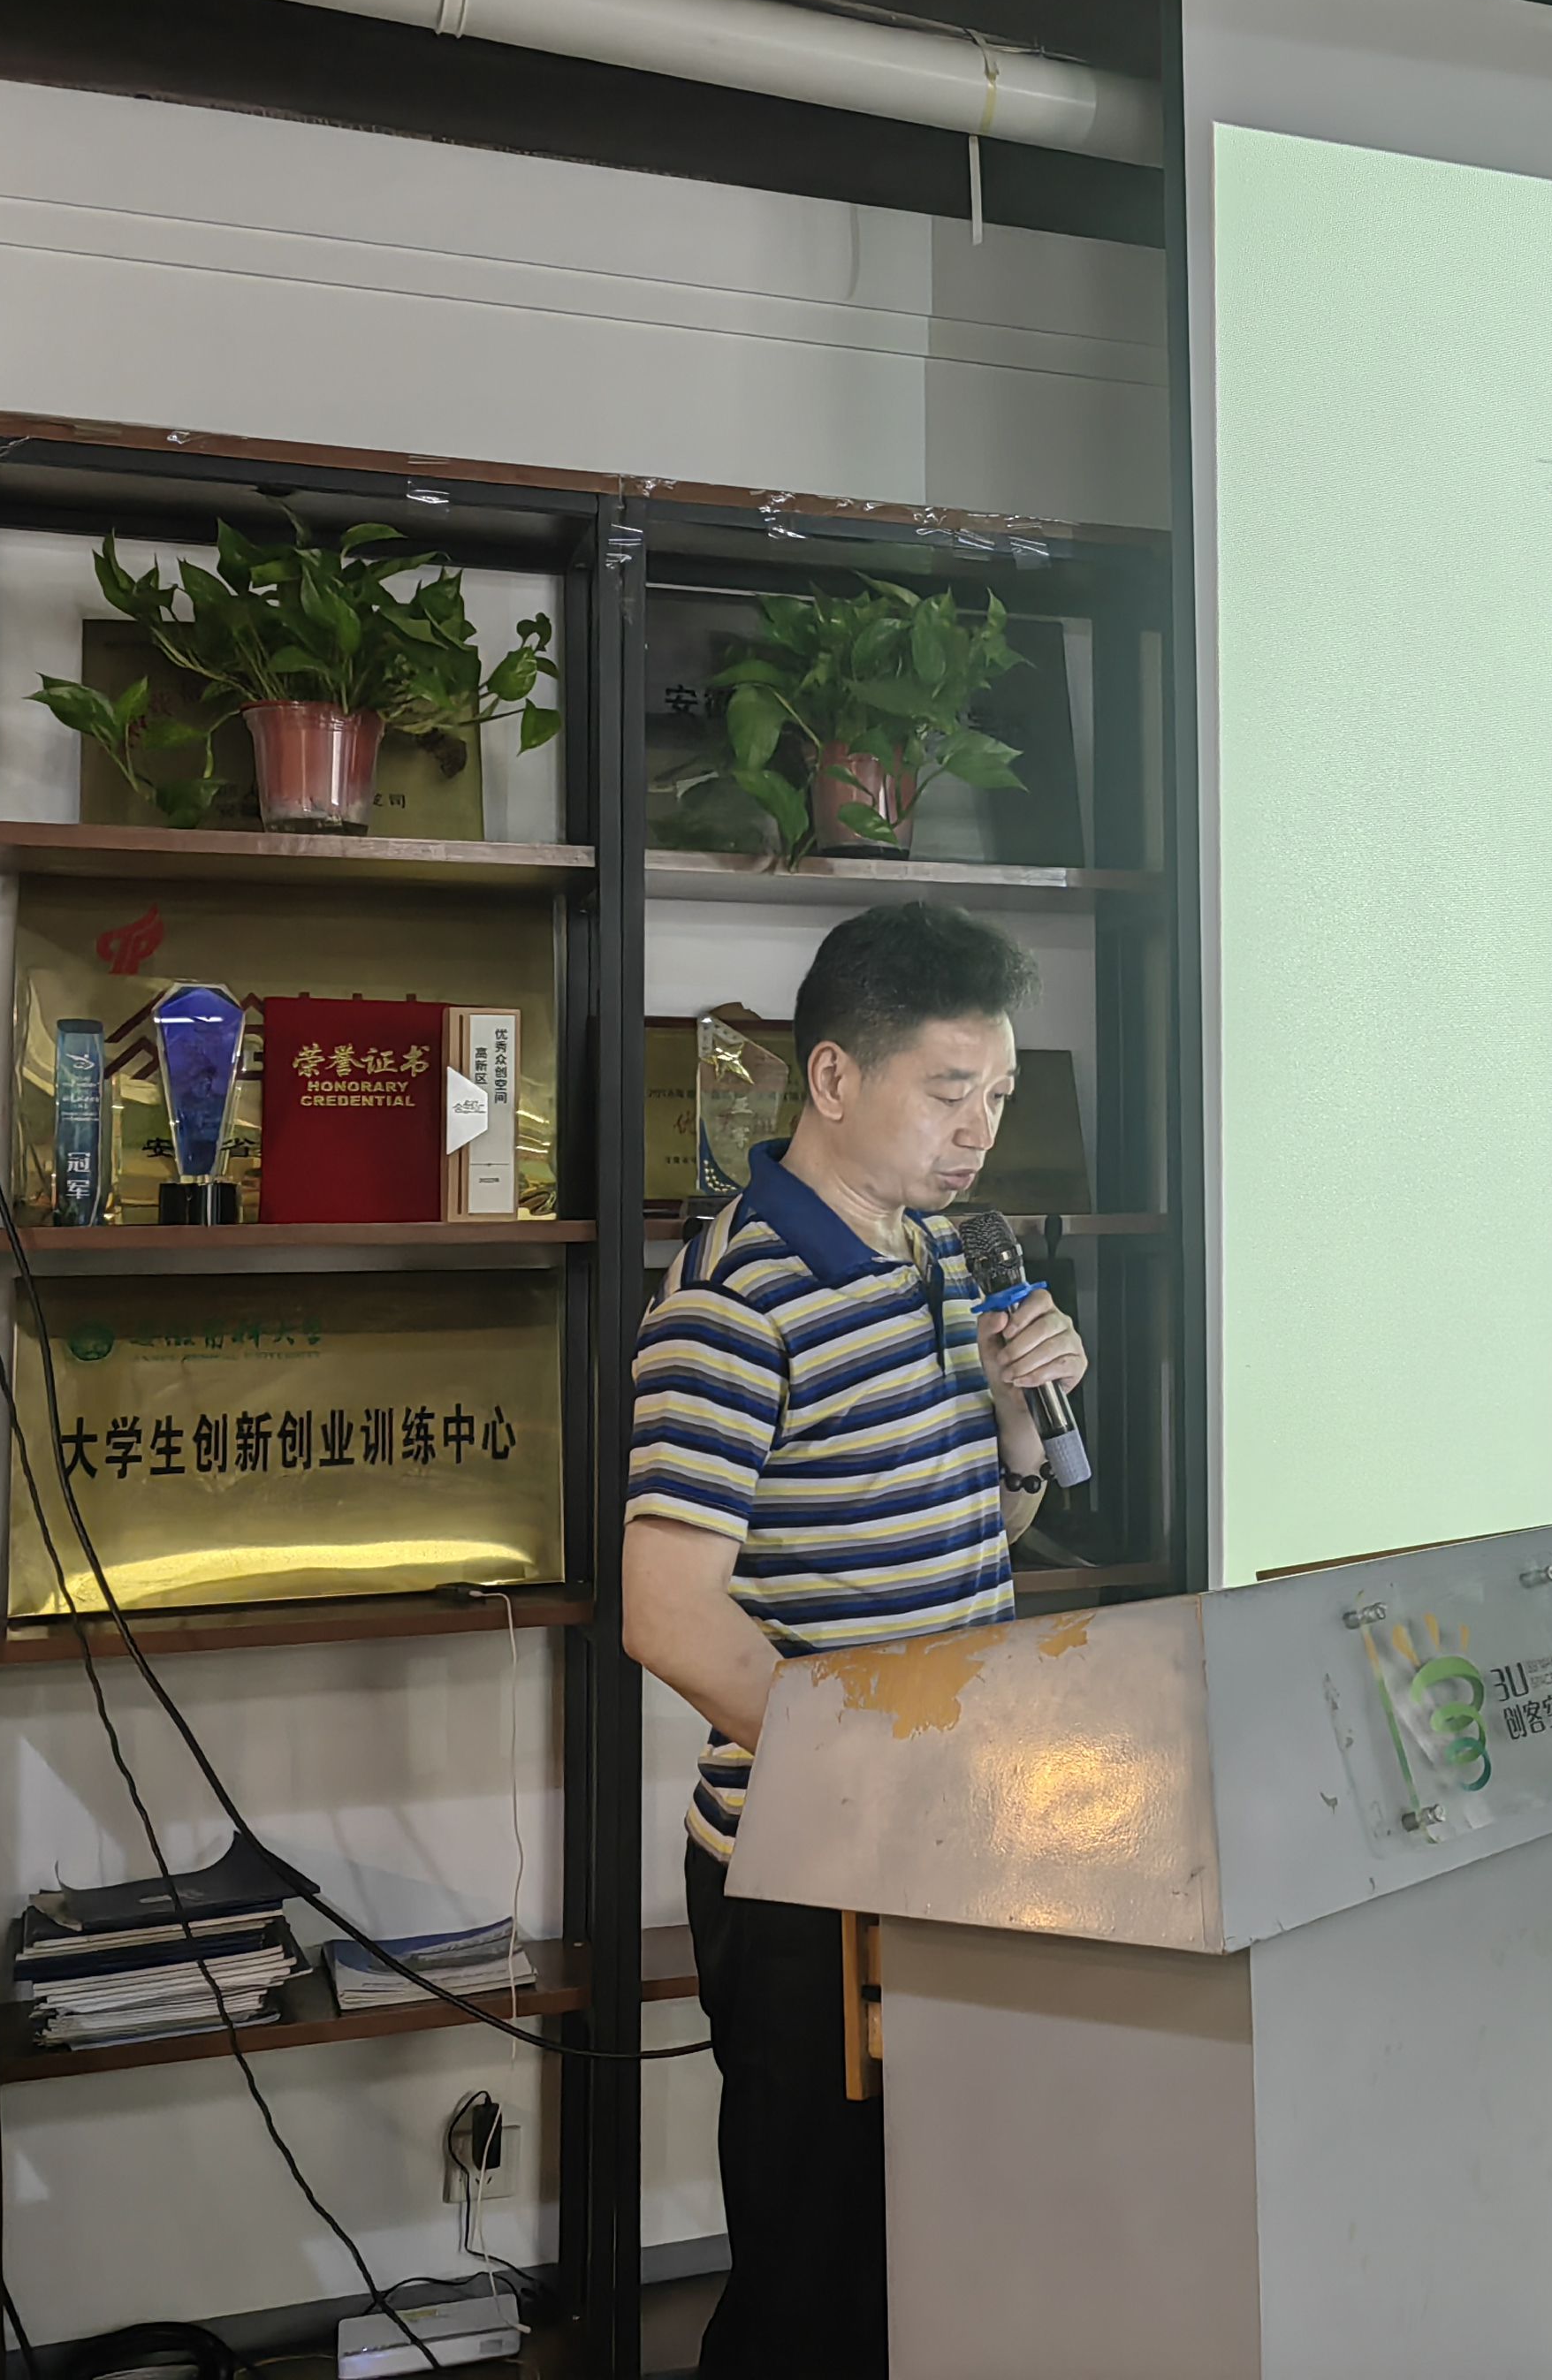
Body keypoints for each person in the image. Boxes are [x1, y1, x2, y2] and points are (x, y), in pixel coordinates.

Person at [621, 902, 1087, 2377]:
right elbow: (665, 1611)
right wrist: (866, 1769)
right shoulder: (735, 1299)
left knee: (937, 2252)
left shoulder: (944, 1258)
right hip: (810, 1866)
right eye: (948, 1090)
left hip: (951, 1830)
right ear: (833, 1077)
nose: (978, 1130)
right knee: (814, 2283)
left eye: (996, 1094)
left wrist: (1019, 1415)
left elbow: (982, 1532)